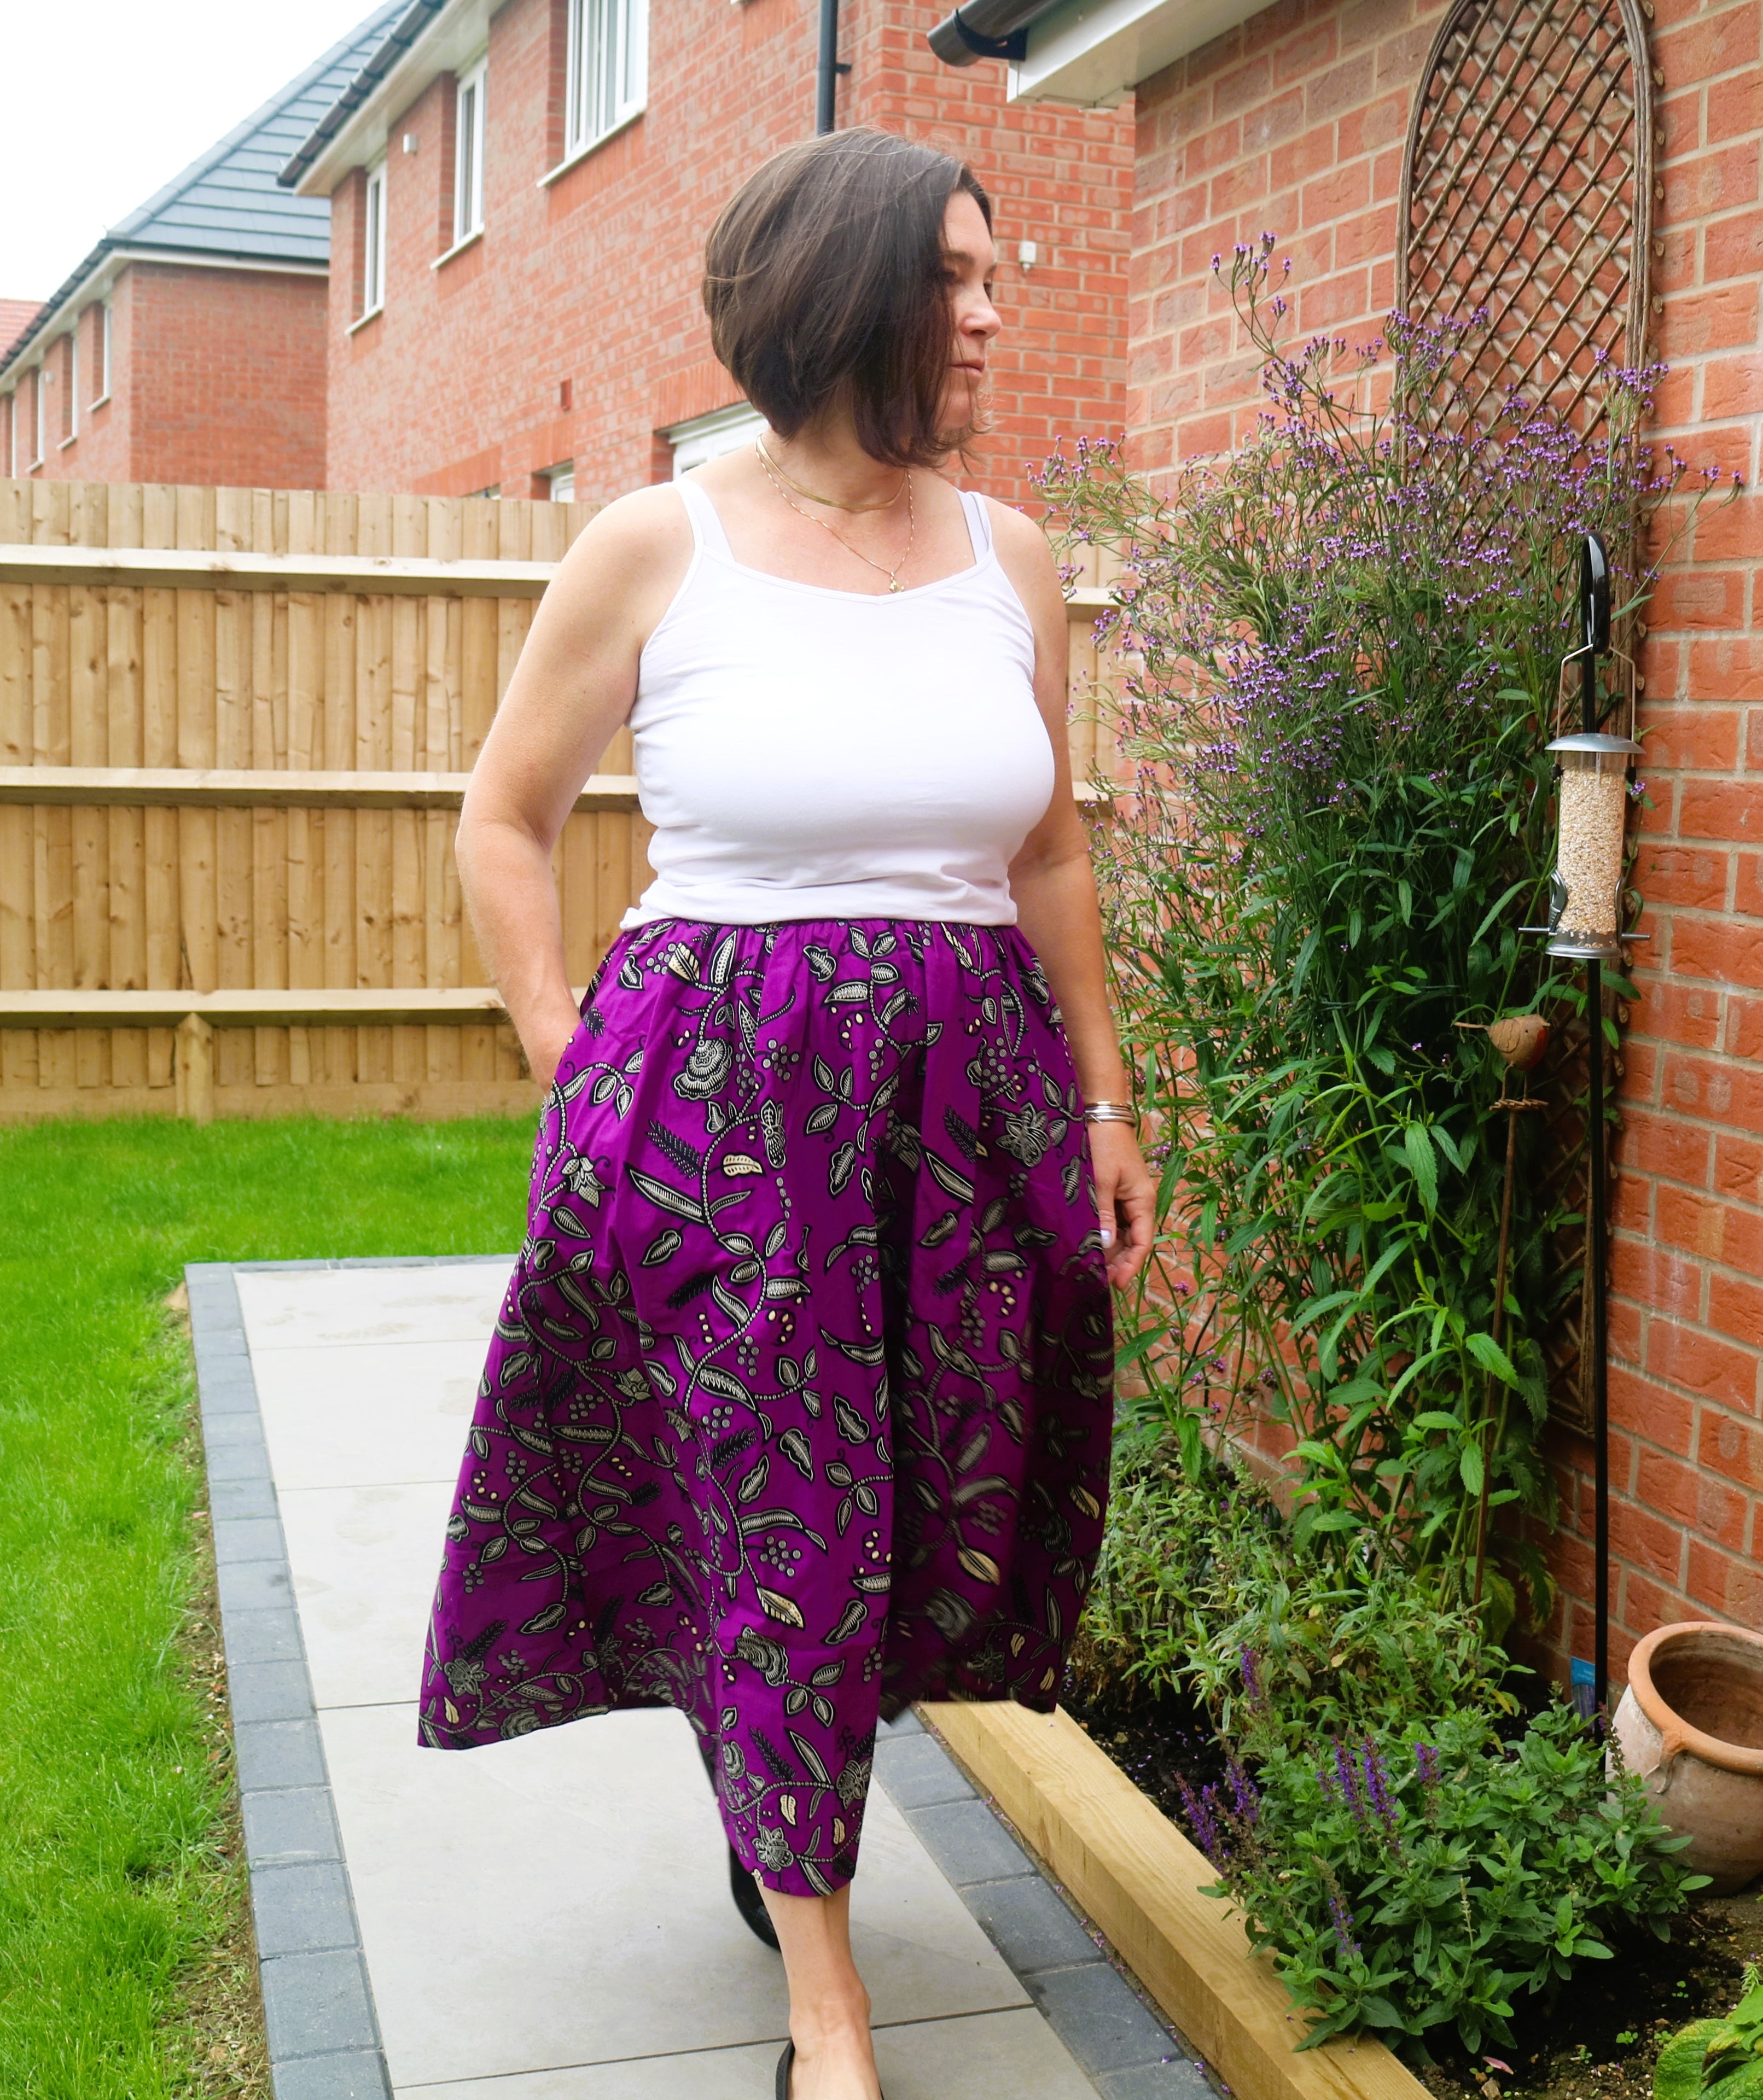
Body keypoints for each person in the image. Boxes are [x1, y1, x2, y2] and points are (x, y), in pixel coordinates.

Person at [418, 127, 1155, 2100]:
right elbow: (508, 816)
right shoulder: (662, 543)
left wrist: (1106, 1096)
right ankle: (831, 2008)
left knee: (919, 1512)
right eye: (960, 277)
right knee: (786, 1510)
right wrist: (568, 1054)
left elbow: (1053, 854)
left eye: (997, 274)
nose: (995, 313)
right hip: (722, 1114)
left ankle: (773, 1783)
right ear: (845, 294)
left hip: (967, 1114)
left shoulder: (1012, 559)